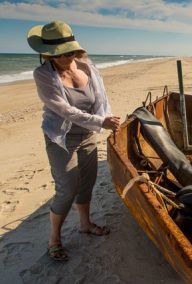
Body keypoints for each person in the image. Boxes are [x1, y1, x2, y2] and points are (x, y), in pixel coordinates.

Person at [27, 20, 120, 261]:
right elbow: (64, 110)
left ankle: (85, 224)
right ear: (47, 54)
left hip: (87, 134)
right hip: (61, 138)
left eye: (69, 52)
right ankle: (54, 239)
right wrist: (101, 122)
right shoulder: (42, 75)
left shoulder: (87, 67)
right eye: (58, 54)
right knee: (66, 188)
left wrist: (106, 118)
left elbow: (101, 98)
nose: (65, 57)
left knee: (87, 182)